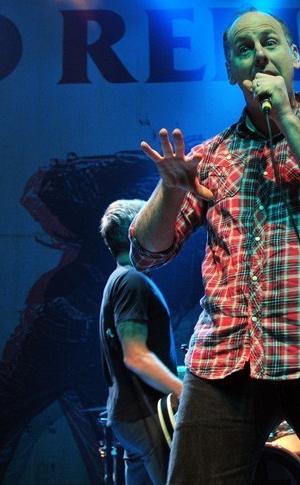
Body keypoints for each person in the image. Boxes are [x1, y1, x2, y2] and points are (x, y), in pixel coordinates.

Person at [129, 7, 300, 484]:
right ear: (231, 72)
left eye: (269, 42)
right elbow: (146, 253)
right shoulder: (210, 156)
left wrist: (288, 118)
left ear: (294, 55)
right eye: (244, 49)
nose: (258, 54)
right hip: (227, 356)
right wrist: (170, 192)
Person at [99, 199, 184, 485]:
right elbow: (135, 356)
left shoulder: (119, 279)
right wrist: (183, 392)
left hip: (130, 418)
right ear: (136, 231)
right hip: (146, 414)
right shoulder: (132, 281)